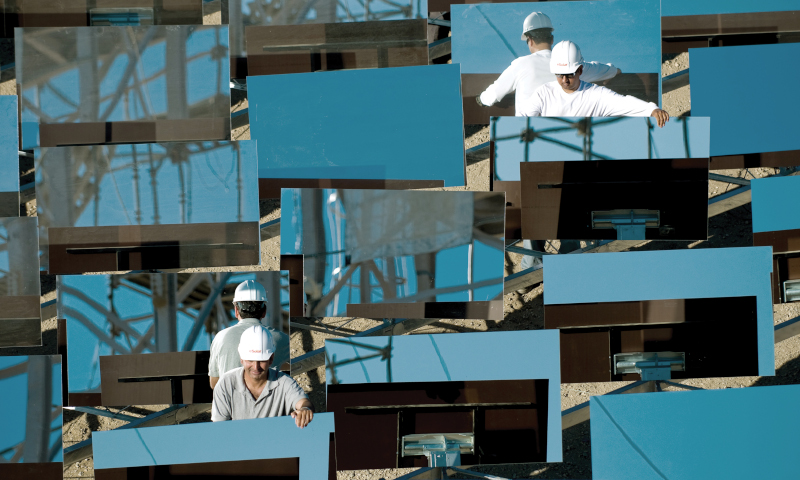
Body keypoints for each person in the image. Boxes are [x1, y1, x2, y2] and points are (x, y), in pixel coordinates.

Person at [476, 12, 620, 115]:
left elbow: (494, 93)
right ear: (551, 39)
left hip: (528, 131)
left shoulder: (520, 64)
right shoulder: (572, 65)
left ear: (530, 40)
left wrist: (481, 100)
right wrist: (615, 71)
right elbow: (605, 70)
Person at [520, 40, 670, 127]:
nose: (564, 80)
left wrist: (652, 109)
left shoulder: (596, 95)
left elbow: (624, 103)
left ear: (580, 70)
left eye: (569, 75)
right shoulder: (544, 93)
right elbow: (523, 119)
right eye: (560, 75)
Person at [211, 325, 314, 428]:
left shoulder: (284, 382)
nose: (256, 367)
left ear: (271, 358)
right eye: (250, 360)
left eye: (261, 360)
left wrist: (305, 409)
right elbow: (220, 430)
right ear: (241, 358)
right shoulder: (226, 383)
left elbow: (303, 402)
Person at [208, 280, 290, 389]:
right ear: (264, 311)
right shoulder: (281, 339)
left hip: (230, 404)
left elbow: (214, 383)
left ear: (236, 310)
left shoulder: (220, 337)